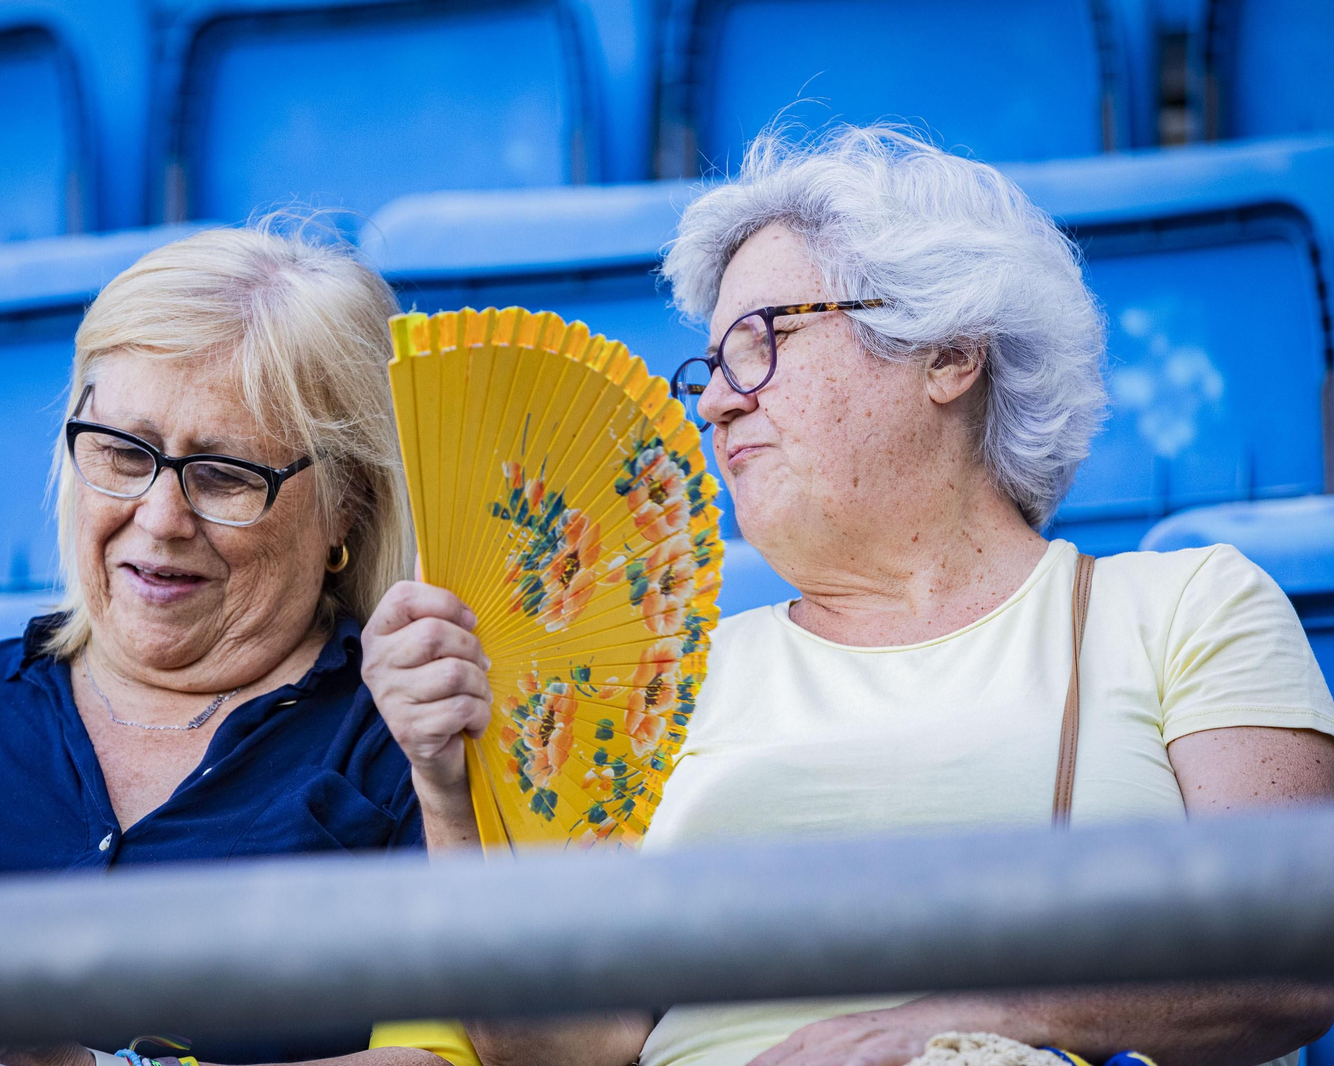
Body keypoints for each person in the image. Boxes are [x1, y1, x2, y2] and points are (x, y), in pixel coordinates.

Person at [360, 126, 1334, 1066]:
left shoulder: (1187, 606)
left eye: (760, 340)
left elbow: (1292, 962)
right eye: (711, 366)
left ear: (948, 352)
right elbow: (565, 1050)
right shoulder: (661, 682)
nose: (715, 401)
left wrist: (944, 1028)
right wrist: (448, 796)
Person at [0, 223, 462, 1066]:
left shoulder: (417, 746)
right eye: (124, 454)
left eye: (225, 474)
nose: (160, 519)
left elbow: (471, 1056)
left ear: (347, 505)